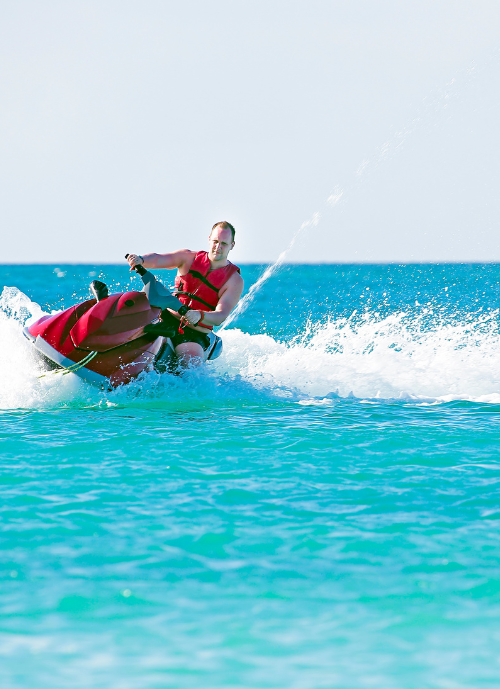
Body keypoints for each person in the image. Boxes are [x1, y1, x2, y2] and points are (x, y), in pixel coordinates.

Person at [127, 221, 244, 366]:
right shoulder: (188, 258)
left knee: (189, 364)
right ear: (209, 239)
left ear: (232, 245)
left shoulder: (234, 280)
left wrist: (199, 315)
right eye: (215, 241)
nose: (218, 247)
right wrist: (141, 260)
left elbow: (220, 316)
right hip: (165, 315)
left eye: (224, 243)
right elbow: (158, 259)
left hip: (193, 332)